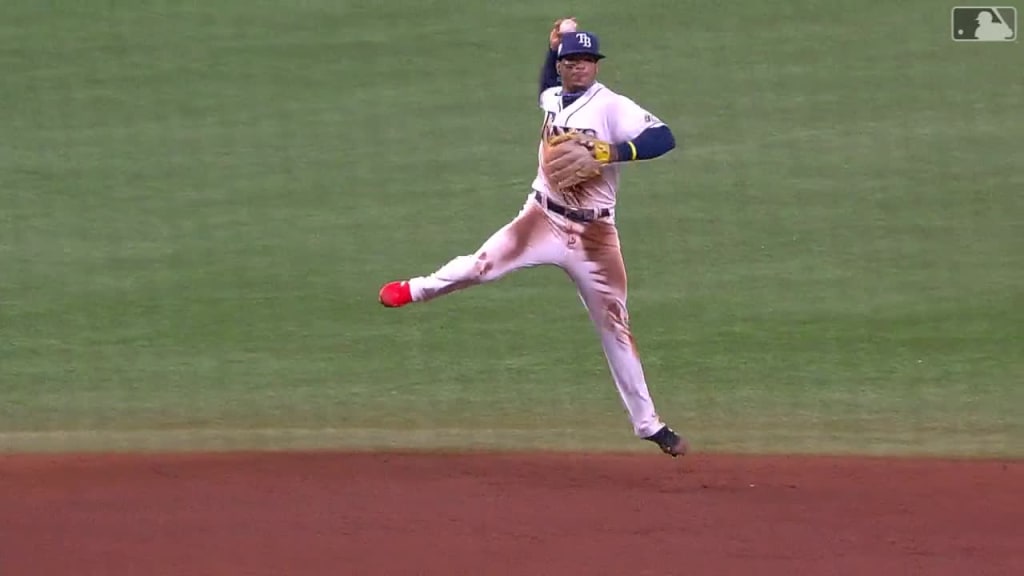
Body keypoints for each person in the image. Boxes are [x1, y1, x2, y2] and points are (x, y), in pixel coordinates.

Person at [378, 19, 687, 457]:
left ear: (596, 66)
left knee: (615, 325)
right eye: (571, 61)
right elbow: (546, 85)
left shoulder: (612, 107)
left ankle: (650, 426)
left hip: (596, 235)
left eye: (586, 61)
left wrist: (614, 152)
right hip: (542, 217)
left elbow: (664, 137)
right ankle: (415, 290)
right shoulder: (554, 96)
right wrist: (552, 47)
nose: (579, 68)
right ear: (562, 65)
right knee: (480, 266)